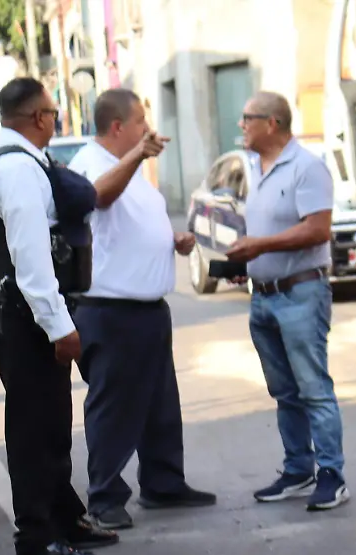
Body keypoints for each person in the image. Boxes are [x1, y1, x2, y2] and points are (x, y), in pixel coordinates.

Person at [0, 77, 117, 555]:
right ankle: (36, 538)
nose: (55, 121)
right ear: (39, 117)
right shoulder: (15, 169)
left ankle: (62, 516)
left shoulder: (16, 161)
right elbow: (30, 258)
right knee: (35, 428)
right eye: (54, 113)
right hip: (24, 313)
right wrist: (59, 326)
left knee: (52, 423)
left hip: (20, 309)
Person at [66, 88, 216, 531]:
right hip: (111, 310)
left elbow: (130, 224)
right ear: (118, 127)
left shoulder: (134, 168)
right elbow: (98, 199)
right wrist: (136, 157)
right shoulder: (90, 165)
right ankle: (105, 497)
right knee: (114, 406)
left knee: (159, 404)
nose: (147, 130)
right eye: (140, 123)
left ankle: (163, 481)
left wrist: (173, 240)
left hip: (148, 307)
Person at [224, 91, 349, 511]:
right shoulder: (257, 169)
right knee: (285, 393)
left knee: (314, 389)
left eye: (247, 118)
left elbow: (317, 230)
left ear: (272, 123)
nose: (241, 125)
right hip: (263, 297)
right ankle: (298, 469)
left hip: (300, 293)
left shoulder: (307, 167)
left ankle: (332, 474)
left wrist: (259, 246)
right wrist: (249, 260)